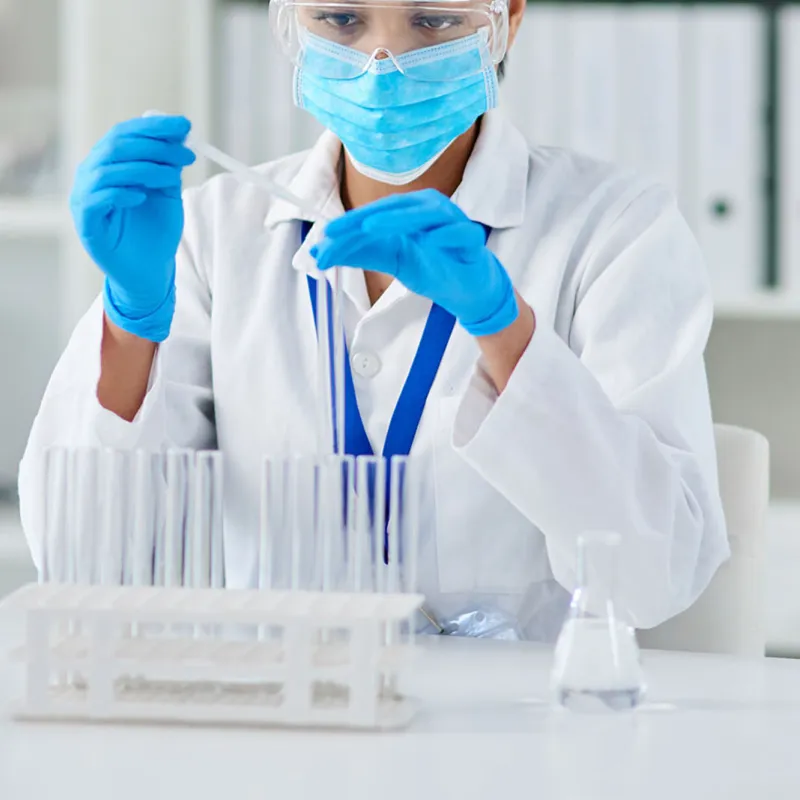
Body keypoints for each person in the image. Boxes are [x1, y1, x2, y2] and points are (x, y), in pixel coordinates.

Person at [18, 0, 728, 640]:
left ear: (506, 19)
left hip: (520, 739)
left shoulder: (615, 228)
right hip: (276, 720)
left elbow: (652, 574)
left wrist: (503, 328)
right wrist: (133, 318)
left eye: (433, 22)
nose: (382, 64)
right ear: (289, 21)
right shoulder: (212, 232)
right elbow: (86, 564)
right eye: (341, 20)